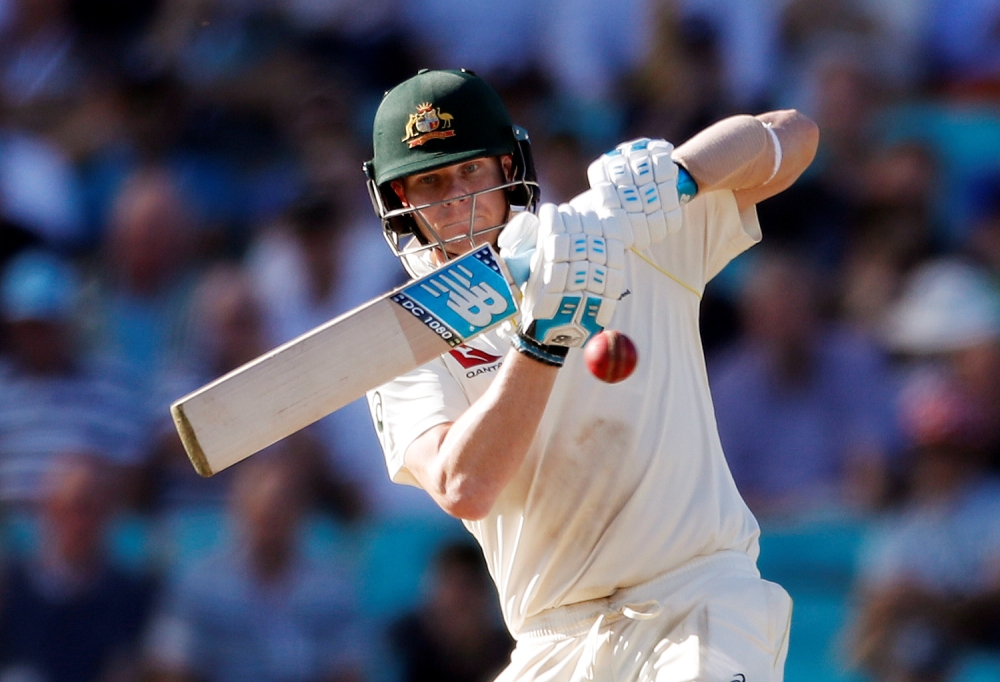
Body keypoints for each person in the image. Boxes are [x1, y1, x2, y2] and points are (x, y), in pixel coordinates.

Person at [364, 69, 819, 681]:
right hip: (552, 638)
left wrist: (682, 175)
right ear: (401, 204)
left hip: (697, 597)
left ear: (507, 167)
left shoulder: (619, 234)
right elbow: (463, 486)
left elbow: (794, 136)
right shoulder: (407, 341)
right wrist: (543, 342)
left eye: (470, 171)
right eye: (430, 183)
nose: (455, 203)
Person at [0, 453, 156, 682]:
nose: (81, 523)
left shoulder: (131, 596)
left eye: (93, 509)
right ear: (49, 509)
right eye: (73, 507)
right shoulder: (10, 589)